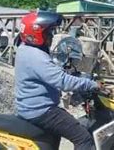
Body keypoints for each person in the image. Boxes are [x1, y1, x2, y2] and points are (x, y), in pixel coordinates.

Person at [15, 11, 99, 149]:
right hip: (42, 111)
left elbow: (50, 72)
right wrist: (91, 84)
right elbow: (62, 82)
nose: (52, 36)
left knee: (54, 138)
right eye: (48, 32)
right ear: (36, 34)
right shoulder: (36, 56)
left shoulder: (24, 49)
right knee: (83, 138)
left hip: (29, 107)